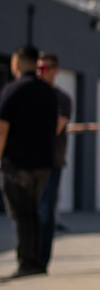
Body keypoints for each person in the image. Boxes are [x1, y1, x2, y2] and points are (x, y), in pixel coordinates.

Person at [0, 45, 61, 277]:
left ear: (16, 63)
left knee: (20, 215)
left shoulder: (12, 90)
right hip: (43, 164)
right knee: (34, 213)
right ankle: (36, 262)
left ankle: (27, 263)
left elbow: (2, 130)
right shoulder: (48, 92)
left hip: (17, 165)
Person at [35, 52, 72, 273]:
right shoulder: (32, 94)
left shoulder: (62, 99)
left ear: (55, 70)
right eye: (38, 68)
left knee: (45, 211)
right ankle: (29, 259)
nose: (41, 72)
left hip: (51, 162)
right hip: (29, 162)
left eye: (45, 68)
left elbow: (54, 130)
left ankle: (41, 261)